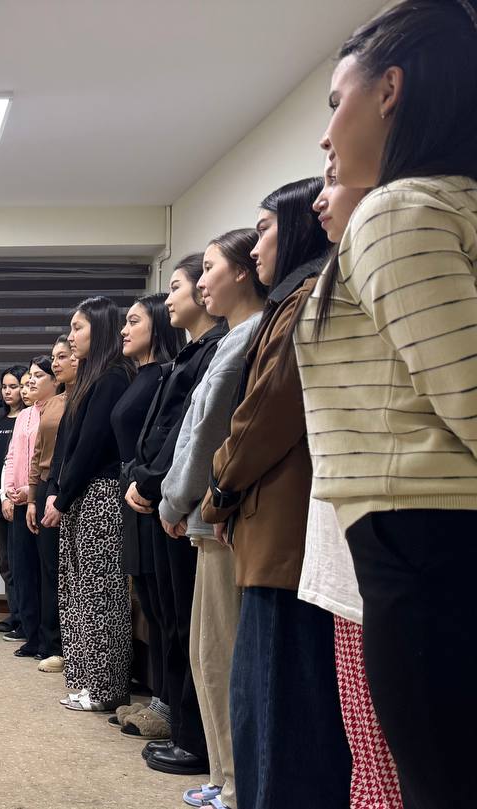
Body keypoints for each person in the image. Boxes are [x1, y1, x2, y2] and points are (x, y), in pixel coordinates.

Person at [296, 5, 477, 803]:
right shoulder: (443, 203)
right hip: (428, 530)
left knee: (439, 781)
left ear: (391, 90)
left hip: (426, 535)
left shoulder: (400, 211)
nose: (326, 137)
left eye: (337, 102)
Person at [199, 177, 349, 809]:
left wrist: (218, 489)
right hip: (271, 524)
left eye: (263, 229)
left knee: (278, 702)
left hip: (283, 530)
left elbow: (262, 415)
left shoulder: (302, 299)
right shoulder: (293, 298)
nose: (256, 244)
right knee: (260, 695)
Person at [296, 150, 401, 809]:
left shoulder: (404, 237)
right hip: (348, 539)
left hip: (398, 533)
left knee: (405, 749)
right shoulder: (344, 271)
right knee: (369, 743)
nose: (319, 198)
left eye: (333, 179)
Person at [158, 229, 265, 797]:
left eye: (209, 268)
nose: (201, 283)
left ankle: (234, 787)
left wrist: (174, 498)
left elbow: (206, 436)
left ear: (243, 271)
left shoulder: (248, 336)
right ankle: (223, 779)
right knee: (207, 655)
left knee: (220, 657)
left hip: (217, 518)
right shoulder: (231, 339)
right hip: (203, 517)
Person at [126, 254, 222, 805]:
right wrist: (144, 477)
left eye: (178, 285)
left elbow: (192, 431)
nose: (170, 298)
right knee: (167, 616)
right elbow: (161, 430)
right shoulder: (188, 354)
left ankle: (191, 737)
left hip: (180, 501)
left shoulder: (218, 348)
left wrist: (156, 483)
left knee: (187, 622)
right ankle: (176, 720)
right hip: (160, 494)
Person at [44, 296, 135, 713]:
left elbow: (91, 446)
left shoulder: (114, 377)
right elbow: (68, 445)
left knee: (100, 592)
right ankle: (83, 680)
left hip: (100, 494)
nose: (72, 336)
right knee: (76, 591)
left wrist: (61, 497)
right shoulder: (89, 379)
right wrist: (59, 491)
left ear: (99, 329)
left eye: (78, 327)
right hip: (79, 494)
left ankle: (105, 686)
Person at [111, 292, 184, 740]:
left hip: (151, 495)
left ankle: (170, 707)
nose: (125, 329)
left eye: (134, 321)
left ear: (157, 324)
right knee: (152, 608)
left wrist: (144, 480)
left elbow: (162, 441)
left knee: (166, 611)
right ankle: (159, 700)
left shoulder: (164, 374)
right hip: (134, 492)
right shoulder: (140, 376)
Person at [7, 353, 58, 661]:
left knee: (44, 571)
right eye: (30, 376)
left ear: (54, 380)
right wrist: (8, 491)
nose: (31, 382)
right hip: (20, 500)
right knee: (23, 569)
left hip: (40, 497)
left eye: (38, 376)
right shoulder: (25, 414)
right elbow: (13, 455)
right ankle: (31, 635)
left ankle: (49, 639)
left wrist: (31, 490)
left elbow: (46, 460)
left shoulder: (58, 409)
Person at [30, 340, 75, 672]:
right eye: (54, 357)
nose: (57, 363)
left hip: (73, 486)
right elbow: (38, 452)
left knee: (69, 571)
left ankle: (70, 646)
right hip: (47, 484)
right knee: (48, 569)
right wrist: (33, 497)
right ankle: (50, 643)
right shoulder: (53, 403)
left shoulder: (86, 397)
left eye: (63, 356)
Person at [0, 364, 26, 634]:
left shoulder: (29, 420)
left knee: (22, 562)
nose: (8, 391)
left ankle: (26, 618)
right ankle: (15, 614)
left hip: (20, 500)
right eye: (4, 387)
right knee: (6, 563)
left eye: (14, 386)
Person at [0, 369, 38, 646]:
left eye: (23, 384)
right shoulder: (18, 418)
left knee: (32, 568)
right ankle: (21, 620)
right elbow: (8, 459)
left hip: (34, 497)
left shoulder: (47, 413)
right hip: (12, 497)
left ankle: (31, 626)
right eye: (12, 386)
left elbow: (40, 459)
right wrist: (6, 493)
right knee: (13, 565)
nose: (22, 389)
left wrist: (28, 492)